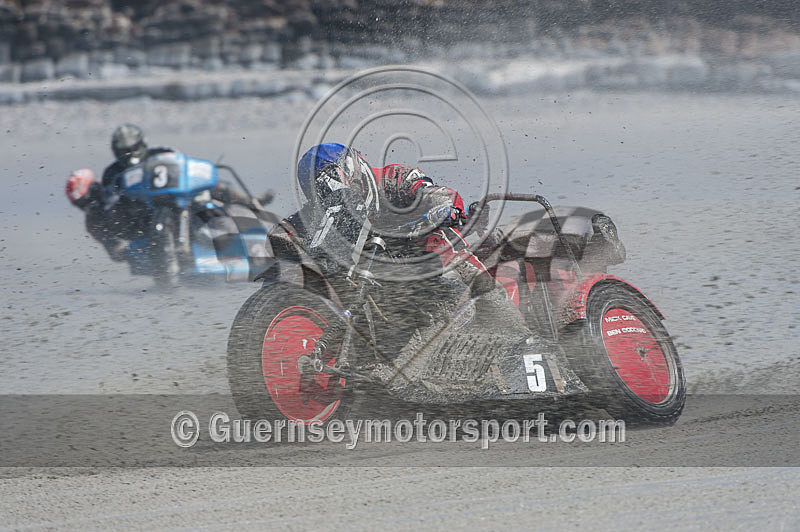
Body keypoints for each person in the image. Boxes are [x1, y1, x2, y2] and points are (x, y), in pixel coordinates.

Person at [66, 124, 273, 262]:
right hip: (143, 213)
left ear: (142, 144)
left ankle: (253, 203)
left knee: (217, 187)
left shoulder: (161, 151)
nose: (129, 155)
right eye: (123, 152)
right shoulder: (112, 173)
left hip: (181, 197)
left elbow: (186, 166)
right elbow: (112, 204)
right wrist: (124, 248)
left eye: (133, 148)